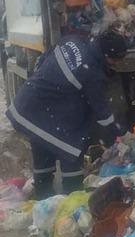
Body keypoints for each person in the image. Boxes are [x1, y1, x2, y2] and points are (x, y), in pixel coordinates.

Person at [7, 32, 127, 198]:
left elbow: (43, 59)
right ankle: (73, 198)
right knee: (71, 149)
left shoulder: (73, 40)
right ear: (108, 57)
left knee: (42, 147)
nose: (117, 64)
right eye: (117, 61)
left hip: (26, 104)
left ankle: (43, 201)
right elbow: (101, 111)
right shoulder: (93, 73)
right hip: (40, 111)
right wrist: (116, 136)